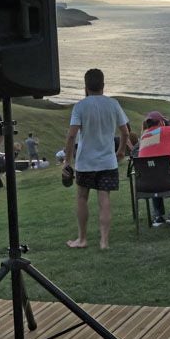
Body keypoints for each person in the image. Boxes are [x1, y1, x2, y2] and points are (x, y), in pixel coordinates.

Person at [64, 68, 132, 250]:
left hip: (85, 162)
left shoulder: (80, 106)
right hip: (107, 161)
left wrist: (67, 161)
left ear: (85, 86)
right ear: (103, 85)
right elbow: (125, 132)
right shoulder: (113, 104)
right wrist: (120, 151)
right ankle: (104, 241)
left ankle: (82, 239)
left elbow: (71, 136)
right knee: (104, 199)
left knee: (81, 197)